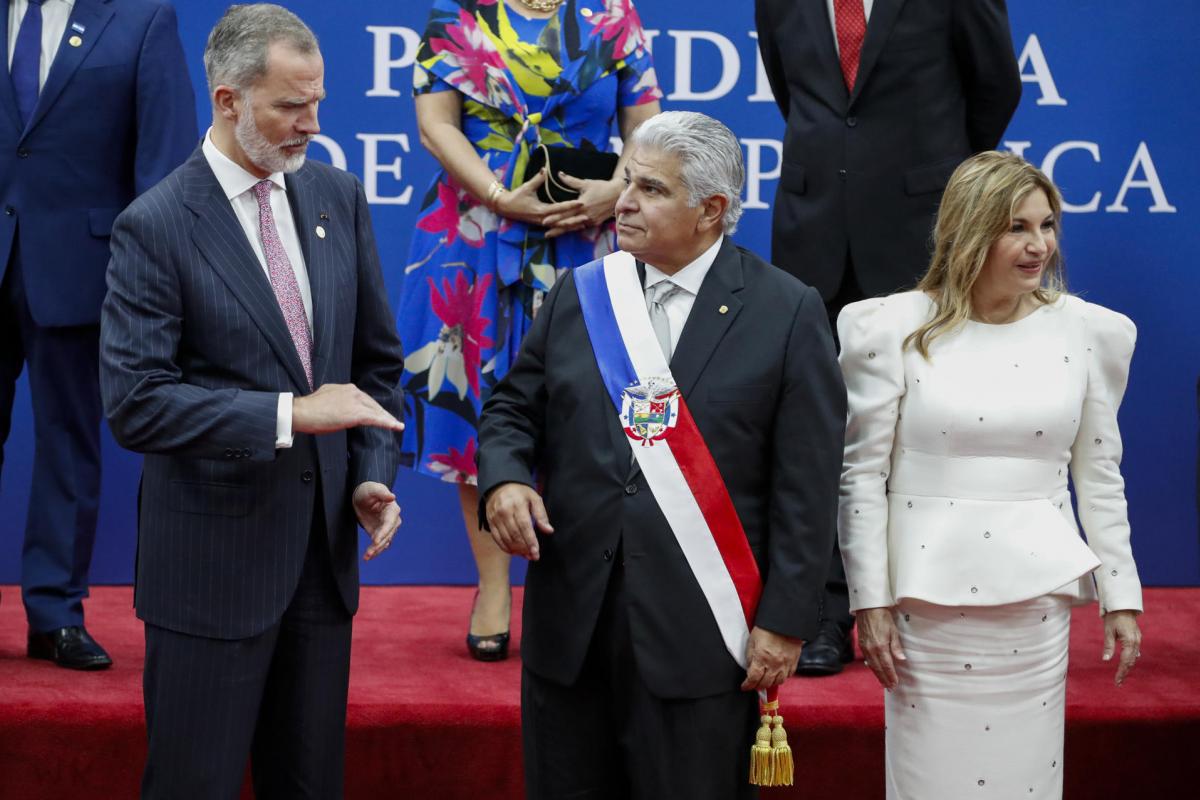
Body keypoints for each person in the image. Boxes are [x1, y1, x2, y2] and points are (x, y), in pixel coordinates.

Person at [477, 111, 846, 799]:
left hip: (701, 638)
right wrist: (503, 481)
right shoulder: (583, 293)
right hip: (571, 631)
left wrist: (787, 620)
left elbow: (809, 484)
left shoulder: (787, 311)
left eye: (650, 189)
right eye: (626, 181)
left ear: (711, 209)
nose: (622, 202)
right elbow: (510, 409)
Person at [98, 5, 406, 796]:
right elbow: (137, 403)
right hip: (209, 575)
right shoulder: (155, 225)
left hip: (321, 572)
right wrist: (288, 415)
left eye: (318, 101)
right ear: (228, 100)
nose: (313, 124)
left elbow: (374, 369)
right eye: (291, 105)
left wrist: (371, 476)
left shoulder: (337, 195)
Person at [838, 151, 1143, 799]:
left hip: (1034, 602)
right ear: (969, 231)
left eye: (1047, 225)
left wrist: (1121, 595)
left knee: (1024, 775)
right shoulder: (890, 326)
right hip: (925, 602)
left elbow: (1099, 475)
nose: (1039, 246)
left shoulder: (1090, 331)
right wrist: (869, 599)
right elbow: (861, 476)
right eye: (1017, 228)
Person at [754, 0, 1023, 675]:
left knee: (927, 419)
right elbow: (792, 91)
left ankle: (925, 598)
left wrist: (936, 174)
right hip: (813, 230)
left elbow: (995, 88)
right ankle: (823, 611)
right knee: (814, 428)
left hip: (920, 228)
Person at [399, 0, 662, 661]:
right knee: (479, 405)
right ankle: (493, 588)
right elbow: (435, 125)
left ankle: (576, 589)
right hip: (476, 235)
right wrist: (496, 195)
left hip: (587, 233)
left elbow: (646, 125)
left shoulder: (612, 15)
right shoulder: (457, 14)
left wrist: (618, 190)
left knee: (589, 408)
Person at [0, 0, 196, 669]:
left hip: (84, 273)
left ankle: (54, 613)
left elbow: (164, 168)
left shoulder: (142, 19)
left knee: (68, 443)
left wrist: (148, 284)